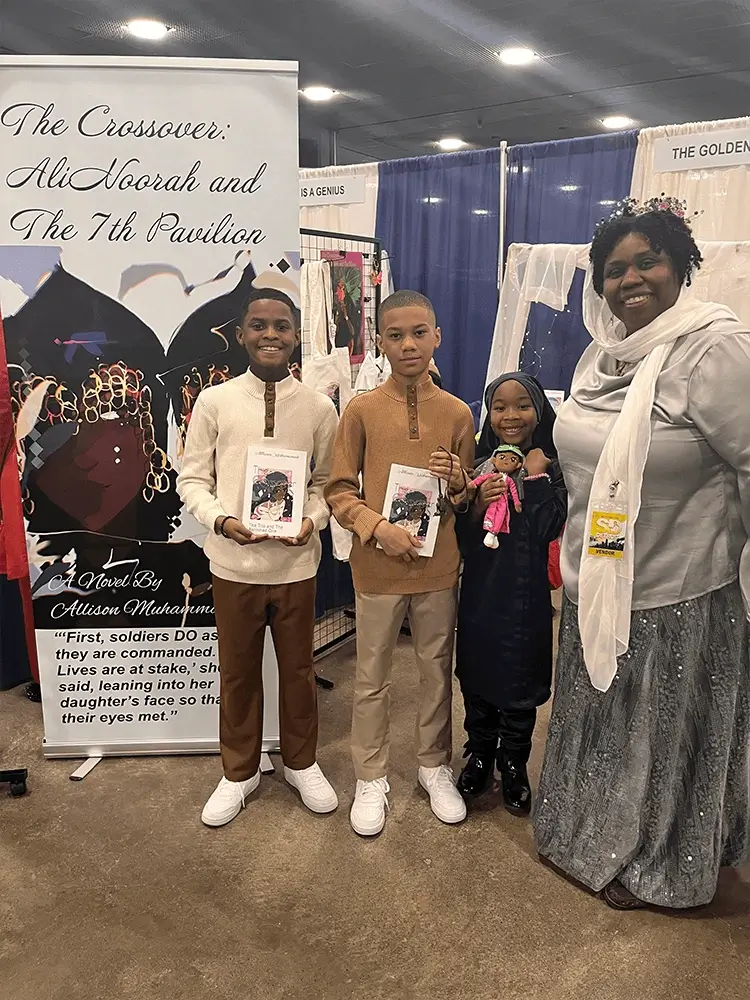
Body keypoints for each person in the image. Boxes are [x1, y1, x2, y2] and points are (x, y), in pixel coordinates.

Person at [533, 197, 750, 910]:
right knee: (601, 723)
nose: (631, 278)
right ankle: (586, 834)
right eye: (615, 267)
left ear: (680, 264)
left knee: (655, 739)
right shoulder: (605, 354)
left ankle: (661, 855)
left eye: (647, 261)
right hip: (595, 580)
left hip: (675, 591)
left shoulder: (714, 350)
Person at [178, 287, 339, 827]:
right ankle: (239, 771)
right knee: (238, 673)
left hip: (296, 565)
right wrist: (222, 520)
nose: (271, 334)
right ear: (241, 333)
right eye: (259, 325)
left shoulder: (318, 407)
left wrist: (311, 522)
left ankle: (301, 762)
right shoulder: (214, 402)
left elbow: (325, 484)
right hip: (233, 564)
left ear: (296, 335)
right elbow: (193, 479)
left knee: (298, 670)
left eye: (281, 326)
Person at [326, 289, 475, 836]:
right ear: (380, 341)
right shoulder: (360, 411)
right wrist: (376, 527)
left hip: (439, 567)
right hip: (378, 567)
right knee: (371, 677)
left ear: (437, 337)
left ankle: (434, 766)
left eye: (419, 333)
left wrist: (459, 481)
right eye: (395, 335)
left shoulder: (458, 413)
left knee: (437, 670)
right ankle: (371, 775)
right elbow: (339, 490)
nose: (408, 344)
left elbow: (466, 497)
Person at [455, 374, 566, 815]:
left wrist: (536, 478)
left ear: (538, 411)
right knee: (478, 674)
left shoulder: (554, 467)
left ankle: (513, 762)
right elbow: (462, 540)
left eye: (522, 405)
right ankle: (481, 752)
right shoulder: (480, 468)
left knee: (520, 681)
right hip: (482, 593)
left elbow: (547, 530)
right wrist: (476, 504)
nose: (510, 416)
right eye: (499, 407)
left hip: (527, 598)